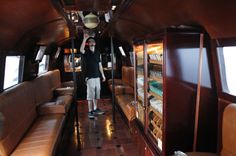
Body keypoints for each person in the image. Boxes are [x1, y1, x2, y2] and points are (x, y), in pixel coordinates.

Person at [80, 32, 106, 119]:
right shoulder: (86, 52)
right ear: (88, 44)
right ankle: (90, 111)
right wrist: (84, 38)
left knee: (96, 94)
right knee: (90, 95)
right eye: (89, 42)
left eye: (92, 41)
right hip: (90, 77)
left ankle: (95, 109)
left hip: (97, 76)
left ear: (94, 43)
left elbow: (100, 65)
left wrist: (103, 75)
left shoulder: (98, 52)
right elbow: (81, 50)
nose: (91, 43)